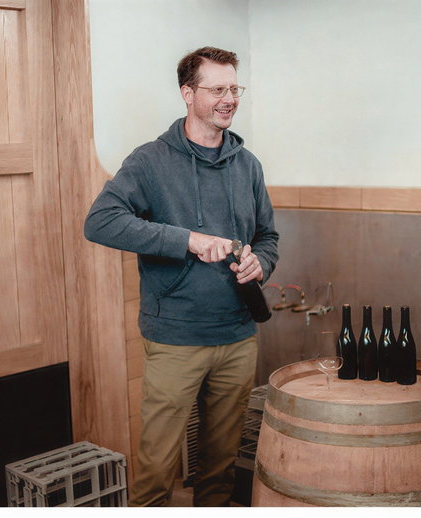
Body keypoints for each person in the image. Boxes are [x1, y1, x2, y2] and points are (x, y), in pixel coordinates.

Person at [84, 46, 279, 507]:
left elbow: (268, 236)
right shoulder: (151, 161)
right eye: (217, 89)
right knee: (157, 465)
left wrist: (262, 264)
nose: (228, 98)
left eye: (235, 88)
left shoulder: (248, 165)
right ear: (187, 93)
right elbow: (100, 222)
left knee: (220, 466)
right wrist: (185, 239)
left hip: (237, 334)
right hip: (175, 337)